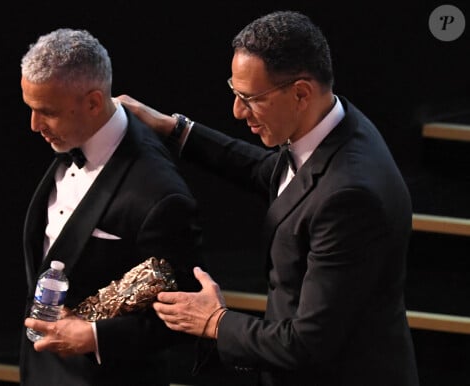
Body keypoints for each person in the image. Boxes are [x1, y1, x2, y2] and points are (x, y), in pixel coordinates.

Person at [118, 10, 420, 386]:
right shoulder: (337, 125)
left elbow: (308, 343)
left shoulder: (349, 197)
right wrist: (175, 129)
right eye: (235, 92)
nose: (237, 111)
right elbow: (272, 172)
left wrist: (215, 321)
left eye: (250, 98)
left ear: (300, 92)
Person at [18, 28, 203, 386]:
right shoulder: (70, 137)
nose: (34, 125)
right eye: (31, 109)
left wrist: (94, 337)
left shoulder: (161, 192)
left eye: (47, 112)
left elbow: (191, 313)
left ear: (92, 102)